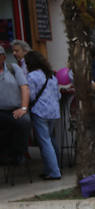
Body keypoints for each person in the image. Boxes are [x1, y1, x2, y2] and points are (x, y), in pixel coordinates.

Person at [24, 51, 61, 180]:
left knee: (44, 141)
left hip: (39, 111)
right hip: (53, 111)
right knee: (51, 139)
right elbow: (58, 95)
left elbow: (31, 96)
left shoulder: (31, 76)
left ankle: (54, 171)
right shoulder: (51, 76)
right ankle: (53, 167)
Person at [0, 46, 31, 166]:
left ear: (3, 57)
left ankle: (19, 154)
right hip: (1, 111)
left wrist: (23, 108)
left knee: (24, 122)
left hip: (15, 109)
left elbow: (24, 88)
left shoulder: (13, 68)